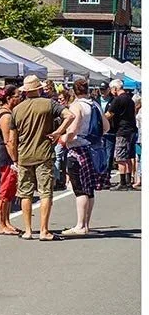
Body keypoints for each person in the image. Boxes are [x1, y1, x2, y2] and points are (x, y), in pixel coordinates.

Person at [6, 74, 75, 241]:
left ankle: (28, 230)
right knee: (45, 193)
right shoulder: (49, 104)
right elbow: (70, 115)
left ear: (25, 91)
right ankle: (44, 230)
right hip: (44, 154)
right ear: (39, 89)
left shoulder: (16, 110)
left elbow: (12, 138)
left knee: (25, 193)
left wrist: (15, 158)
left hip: (24, 156)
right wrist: (59, 131)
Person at [59, 77, 101, 237]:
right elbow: (106, 126)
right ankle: (86, 224)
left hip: (77, 148)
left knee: (80, 188)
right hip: (91, 147)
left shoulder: (76, 106)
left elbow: (73, 129)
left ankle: (80, 225)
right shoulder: (95, 104)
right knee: (89, 189)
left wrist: (64, 138)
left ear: (74, 91)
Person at [0, 86, 22, 236]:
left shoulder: (10, 113)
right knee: (4, 191)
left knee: (10, 191)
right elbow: (9, 141)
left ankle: (7, 222)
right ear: (9, 98)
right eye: (17, 95)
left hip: (9, 155)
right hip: (7, 156)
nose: (20, 98)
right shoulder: (6, 116)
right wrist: (15, 160)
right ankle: (1, 224)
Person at [106, 79, 138, 190]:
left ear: (115, 88)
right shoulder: (130, 99)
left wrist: (100, 120)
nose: (111, 91)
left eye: (111, 89)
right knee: (128, 156)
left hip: (122, 130)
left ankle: (123, 182)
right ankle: (129, 182)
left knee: (120, 157)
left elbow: (109, 114)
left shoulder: (118, 100)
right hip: (131, 130)